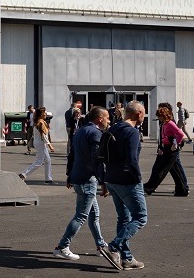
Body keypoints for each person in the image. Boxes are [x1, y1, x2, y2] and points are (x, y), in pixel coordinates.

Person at [53, 106, 111, 262]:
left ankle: (100, 245)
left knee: (93, 214)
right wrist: (103, 182)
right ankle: (62, 246)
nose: (109, 120)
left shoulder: (80, 131)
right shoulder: (96, 133)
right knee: (81, 216)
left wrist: (69, 175)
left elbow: (72, 154)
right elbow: (97, 160)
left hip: (79, 177)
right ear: (99, 119)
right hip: (87, 180)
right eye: (107, 117)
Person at [100, 101, 148, 272]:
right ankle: (113, 246)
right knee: (141, 217)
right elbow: (132, 159)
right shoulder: (132, 132)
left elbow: (102, 155)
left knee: (124, 218)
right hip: (127, 180)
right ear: (139, 114)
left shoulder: (113, 129)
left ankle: (126, 258)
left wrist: (104, 179)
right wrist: (138, 179)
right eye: (143, 113)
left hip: (111, 178)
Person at [143, 104, 189, 197]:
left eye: (159, 116)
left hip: (171, 149)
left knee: (162, 168)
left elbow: (180, 134)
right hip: (166, 147)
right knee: (175, 170)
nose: (158, 118)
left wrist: (175, 143)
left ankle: (150, 187)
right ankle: (182, 189)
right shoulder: (164, 123)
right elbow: (162, 137)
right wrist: (161, 147)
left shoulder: (170, 123)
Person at [20, 106, 55, 184]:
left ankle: (48, 178)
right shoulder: (41, 122)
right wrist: (50, 146)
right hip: (41, 143)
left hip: (38, 142)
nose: (46, 114)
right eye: (44, 112)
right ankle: (24, 174)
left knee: (48, 160)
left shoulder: (37, 121)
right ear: (41, 114)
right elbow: (44, 136)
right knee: (39, 161)